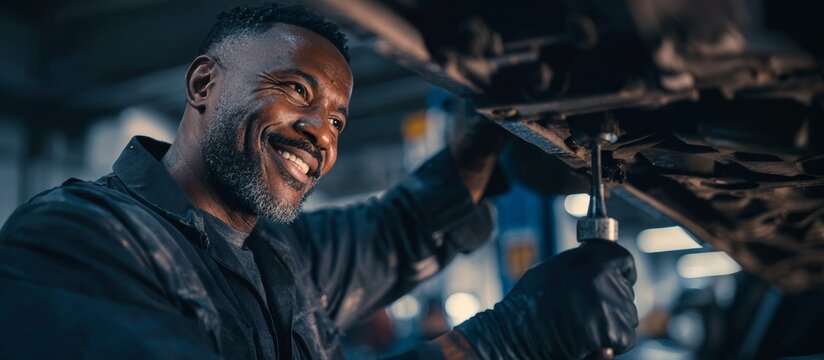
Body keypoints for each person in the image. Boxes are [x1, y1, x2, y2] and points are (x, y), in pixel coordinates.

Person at [0, 3, 637, 359]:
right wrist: (504, 342)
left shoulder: (277, 258)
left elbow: (399, 229)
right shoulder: (73, 240)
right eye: (296, 90)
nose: (322, 133)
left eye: (337, 118)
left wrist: (485, 134)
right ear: (203, 84)